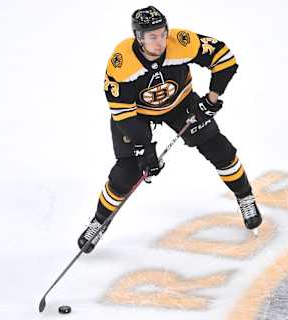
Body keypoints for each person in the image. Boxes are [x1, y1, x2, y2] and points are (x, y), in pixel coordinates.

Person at [78, 6, 262, 253]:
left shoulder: (182, 42)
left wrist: (211, 99)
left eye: (163, 33)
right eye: (152, 36)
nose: (160, 41)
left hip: (180, 104)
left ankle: (245, 196)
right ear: (138, 37)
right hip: (136, 116)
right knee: (126, 173)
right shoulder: (121, 63)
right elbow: (123, 114)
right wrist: (144, 150)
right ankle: (99, 222)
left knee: (220, 150)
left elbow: (224, 58)